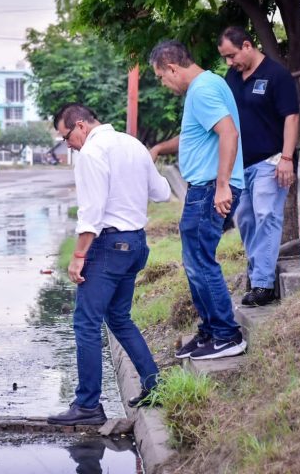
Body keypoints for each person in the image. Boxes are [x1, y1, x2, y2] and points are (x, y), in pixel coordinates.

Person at [46, 103, 171, 426]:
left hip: (107, 247)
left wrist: (78, 257)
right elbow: (162, 193)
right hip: (135, 244)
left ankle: (87, 405)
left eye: (66, 137)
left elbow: (92, 213)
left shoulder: (91, 153)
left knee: (86, 323)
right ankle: (155, 385)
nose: (68, 145)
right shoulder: (134, 146)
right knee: (118, 317)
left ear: (80, 126)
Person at [148, 40, 247, 360]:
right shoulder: (207, 85)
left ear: (172, 68)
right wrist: (161, 148)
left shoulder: (202, 89)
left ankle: (227, 335)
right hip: (205, 186)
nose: (164, 84)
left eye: (162, 77)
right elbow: (196, 135)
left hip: (209, 188)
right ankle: (209, 332)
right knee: (194, 262)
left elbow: (229, 133)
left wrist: (222, 186)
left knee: (200, 261)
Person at [217, 26, 300, 307]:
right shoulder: (232, 78)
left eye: (232, 56)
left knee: (267, 215)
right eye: (226, 58)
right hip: (242, 165)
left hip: (272, 159)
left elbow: (291, 117)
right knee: (247, 221)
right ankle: (258, 276)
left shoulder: (277, 75)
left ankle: (263, 284)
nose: (230, 63)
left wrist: (287, 158)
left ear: (248, 46)